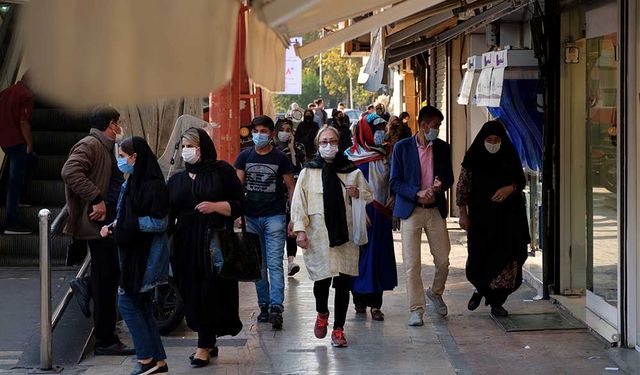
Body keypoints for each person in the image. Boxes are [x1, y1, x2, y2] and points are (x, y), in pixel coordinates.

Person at [61, 106, 134, 356]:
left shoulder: (102, 146)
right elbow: (69, 171)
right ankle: (105, 340)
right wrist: (96, 198)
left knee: (110, 275)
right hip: (96, 223)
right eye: (118, 123)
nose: (119, 127)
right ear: (111, 124)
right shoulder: (90, 144)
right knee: (107, 280)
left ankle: (87, 285)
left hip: (107, 223)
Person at [167, 128, 243, 367]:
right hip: (185, 243)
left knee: (209, 291)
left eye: (191, 145)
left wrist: (216, 206)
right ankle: (208, 339)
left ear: (203, 147)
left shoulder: (222, 172)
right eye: (184, 146)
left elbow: (240, 204)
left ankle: (203, 345)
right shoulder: (177, 179)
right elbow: (168, 212)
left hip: (214, 241)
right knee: (189, 291)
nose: (187, 151)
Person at [291, 126, 372, 347]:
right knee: (321, 282)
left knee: (344, 283)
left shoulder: (350, 170)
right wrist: (300, 230)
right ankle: (322, 313)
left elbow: (368, 194)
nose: (329, 145)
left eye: (333, 141)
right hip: (318, 236)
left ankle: (338, 329)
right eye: (324, 142)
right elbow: (299, 203)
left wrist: (357, 194)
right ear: (318, 145)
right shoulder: (308, 171)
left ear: (339, 143)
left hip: (345, 236)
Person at [104, 137, 170, 375]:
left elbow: (159, 222)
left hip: (146, 258)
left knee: (127, 303)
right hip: (133, 256)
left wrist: (126, 224)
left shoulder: (153, 185)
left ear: (136, 157)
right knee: (140, 306)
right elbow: (123, 215)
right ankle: (158, 361)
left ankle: (145, 358)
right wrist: (114, 225)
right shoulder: (130, 183)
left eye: (123, 156)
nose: (120, 161)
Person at [457, 121, 530, 317]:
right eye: (488, 140)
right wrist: (463, 213)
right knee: (479, 259)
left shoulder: (509, 155)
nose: (492, 143)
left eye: (496, 140)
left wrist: (509, 189)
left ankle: (497, 302)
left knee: (509, 260)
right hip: (482, 220)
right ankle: (481, 288)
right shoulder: (473, 157)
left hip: (509, 220)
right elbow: (463, 186)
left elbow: (520, 181)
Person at [389, 105, 453, 326]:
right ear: (423, 125)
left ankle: (435, 292)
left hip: (435, 210)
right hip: (411, 211)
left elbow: (450, 178)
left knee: (443, 260)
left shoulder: (443, 148)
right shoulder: (402, 148)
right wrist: (416, 193)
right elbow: (394, 182)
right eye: (435, 126)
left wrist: (439, 185)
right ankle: (416, 309)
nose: (437, 130)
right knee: (412, 264)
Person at [235, 115, 295, 330]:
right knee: (258, 266)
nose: (258, 135)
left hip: (275, 217)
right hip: (250, 218)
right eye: (255, 131)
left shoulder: (280, 158)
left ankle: (276, 306)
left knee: (274, 263)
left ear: (270, 133)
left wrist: (293, 217)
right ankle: (263, 306)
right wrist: (237, 214)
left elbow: (290, 187)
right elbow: (237, 186)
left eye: (262, 131)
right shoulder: (244, 157)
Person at [346, 114, 397, 321]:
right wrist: (359, 209)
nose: (380, 133)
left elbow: (392, 180)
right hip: (359, 215)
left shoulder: (386, 154)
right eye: (376, 129)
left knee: (378, 258)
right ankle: (358, 299)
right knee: (358, 259)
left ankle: (376, 305)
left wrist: (393, 195)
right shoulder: (349, 157)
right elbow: (344, 189)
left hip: (381, 215)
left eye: (383, 128)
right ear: (365, 131)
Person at [0, 72, 38, 234]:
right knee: (13, 183)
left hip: (5, 141)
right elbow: (24, 122)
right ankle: (11, 222)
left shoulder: (6, 92)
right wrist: (29, 143)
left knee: (32, 160)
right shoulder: (26, 95)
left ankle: (22, 196)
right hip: (17, 142)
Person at [273, 118, 306, 277]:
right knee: (278, 227)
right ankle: (277, 261)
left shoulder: (299, 147)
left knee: (291, 226)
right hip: (277, 193)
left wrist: (292, 149)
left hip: (293, 192)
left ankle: (291, 261)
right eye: (283, 129)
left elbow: (298, 167)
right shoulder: (270, 148)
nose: (285, 133)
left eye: (288, 129)